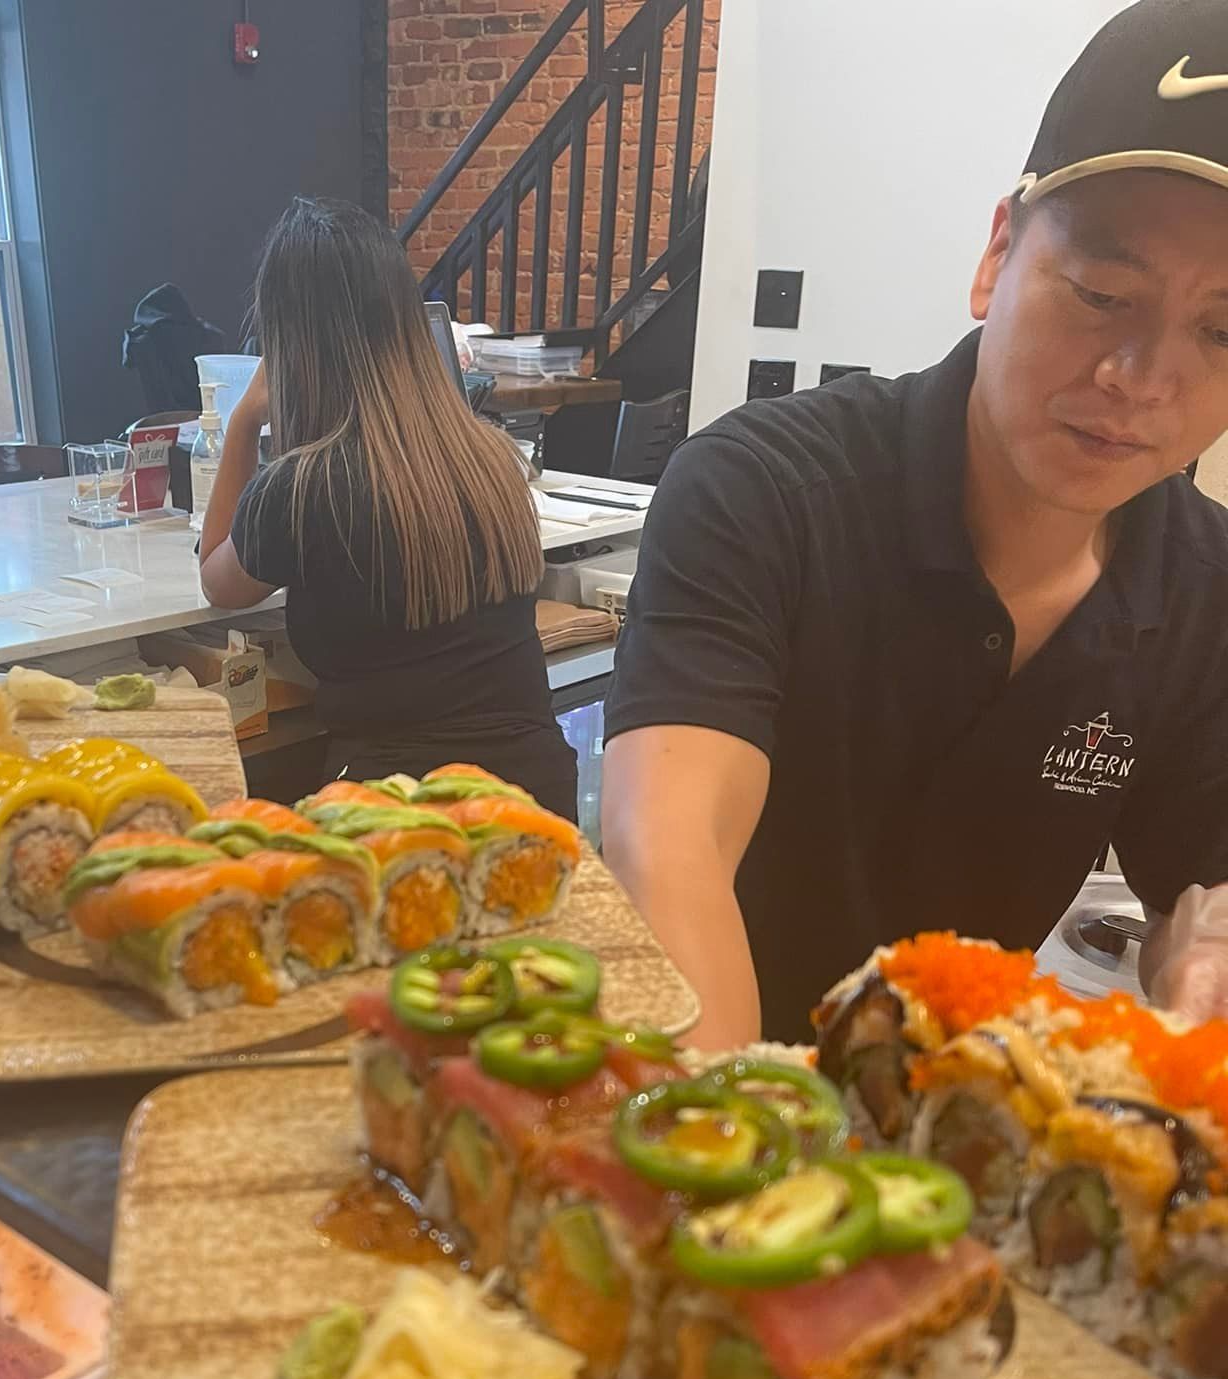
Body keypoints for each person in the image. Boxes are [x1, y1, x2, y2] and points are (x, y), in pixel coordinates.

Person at [603, 0, 1228, 1047]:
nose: (1140, 379)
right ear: (998, 256)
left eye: (1223, 330)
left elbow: (1205, 893)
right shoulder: (762, 491)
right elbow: (667, 843)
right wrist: (728, 1145)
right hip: (712, 1088)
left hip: (948, 1117)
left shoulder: (1202, 593)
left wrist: (1204, 974)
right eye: (1103, 293)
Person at [197, 197, 578, 820]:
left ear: (288, 343)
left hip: (394, 815)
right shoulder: (488, 453)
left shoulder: (301, 485)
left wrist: (242, 422)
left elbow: (218, 580)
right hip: (533, 796)